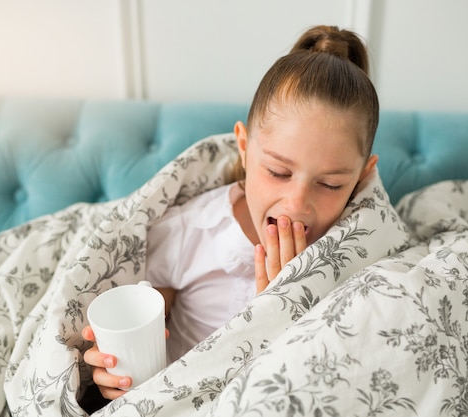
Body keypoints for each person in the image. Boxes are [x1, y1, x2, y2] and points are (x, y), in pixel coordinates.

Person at [80, 24, 379, 408]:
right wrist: (112, 373)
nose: (296, 204)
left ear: (363, 176)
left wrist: (285, 305)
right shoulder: (194, 231)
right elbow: (140, 336)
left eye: (331, 184)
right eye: (278, 172)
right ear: (244, 147)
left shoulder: (355, 251)